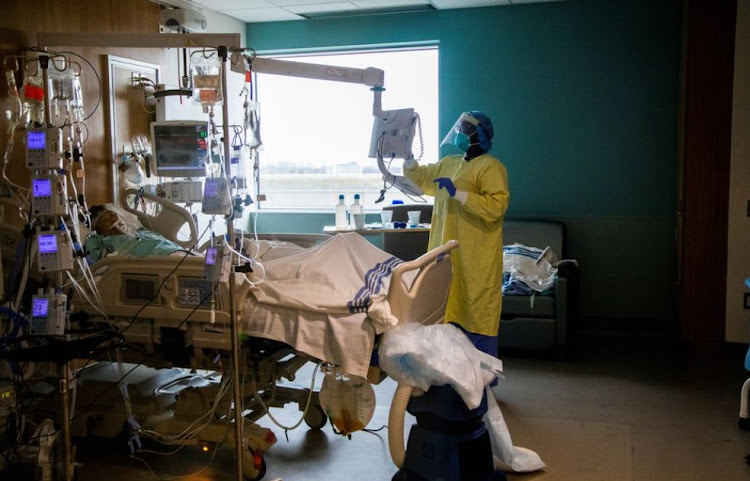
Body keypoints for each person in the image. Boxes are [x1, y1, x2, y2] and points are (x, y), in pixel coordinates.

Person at [403, 110, 509, 356]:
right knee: (443, 304)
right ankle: (444, 371)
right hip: (444, 250)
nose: (459, 133)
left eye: (464, 129)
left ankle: (479, 376)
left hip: (474, 257)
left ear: (476, 134)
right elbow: (422, 179)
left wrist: (459, 194)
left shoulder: (491, 167)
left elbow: (496, 207)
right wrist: (408, 159)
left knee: (473, 309)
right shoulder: (449, 163)